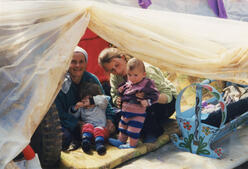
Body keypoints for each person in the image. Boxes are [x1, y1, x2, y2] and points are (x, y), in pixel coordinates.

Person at [98, 47, 177, 142]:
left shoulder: (145, 70)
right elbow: (115, 95)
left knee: (140, 106)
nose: (117, 71)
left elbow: (167, 96)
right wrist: (118, 101)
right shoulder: (115, 77)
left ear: (123, 58)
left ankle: (152, 132)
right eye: (112, 70)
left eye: (117, 65)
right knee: (121, 113)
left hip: (165, 103)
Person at [55, 46, 116, 151]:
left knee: (121, 117)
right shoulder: (60, 84)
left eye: (81, 62)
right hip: (72, 123)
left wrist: (110, 120)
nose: (78, 65)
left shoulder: (91, 79)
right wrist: (77, 124)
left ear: (86, 63)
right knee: (64, 137)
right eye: (73, 62)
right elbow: (59, 113)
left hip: (96, 120)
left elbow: (106, 103)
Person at [108, 58, 159, 148]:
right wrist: (120, 94)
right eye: (129, 75)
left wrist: (147, 101)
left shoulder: (146, 84)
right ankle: (121, 140)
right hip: (125, 113)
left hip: (137, 114)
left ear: (144, 74)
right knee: (122, 127)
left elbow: (155, 95)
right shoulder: (128, 83)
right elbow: (120, 91)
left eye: (135, 75)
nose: (132, 78)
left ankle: (132, 144)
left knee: (133, 130)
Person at [69, 82, 109, 155]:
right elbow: (74, 115)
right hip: (87, 133)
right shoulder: (82, 108)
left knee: (98, 129)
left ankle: (99, 145)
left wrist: (92, 101)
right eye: (84, 99)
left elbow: (105, 99)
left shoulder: (100, 106)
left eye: (88, 99)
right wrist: (75, 108)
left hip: (101, 134)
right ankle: (86, 143)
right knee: (87, 126)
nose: (86, 102)